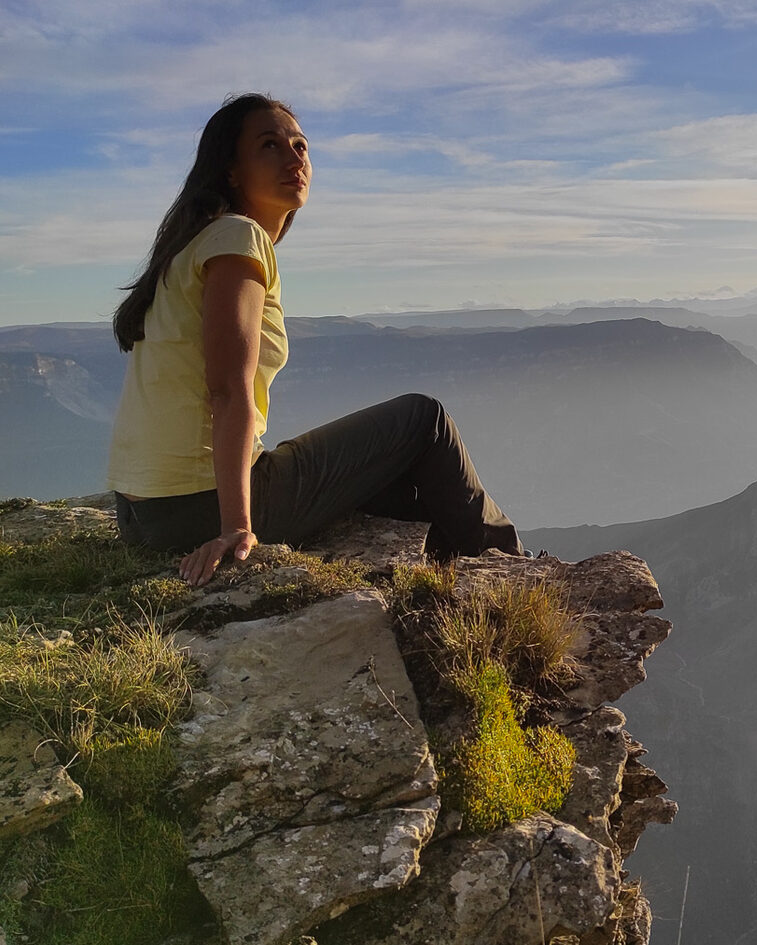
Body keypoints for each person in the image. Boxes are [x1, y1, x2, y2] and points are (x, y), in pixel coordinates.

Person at [106, 93, 522, 586]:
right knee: (422, 420)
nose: (293, 157)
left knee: (396, 478)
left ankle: (460, 577)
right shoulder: (236, 238)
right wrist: (236, 527)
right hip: (192, 507)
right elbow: (226, 389)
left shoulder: (196, 243)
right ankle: (516, 570)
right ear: (231, 171)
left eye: (300, 145)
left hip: (143, 513)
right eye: (269, 146)